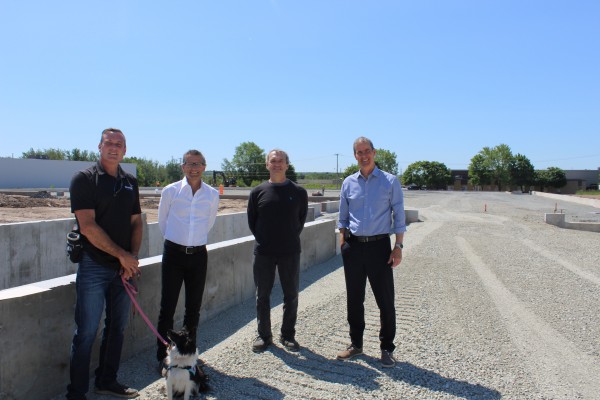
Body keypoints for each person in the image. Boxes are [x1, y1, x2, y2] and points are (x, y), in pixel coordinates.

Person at [66, 128, 142, 399]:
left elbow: (136, 222)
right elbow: (87, 226)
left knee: (117, 328)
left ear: (125, 149)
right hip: (94, 266)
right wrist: (122, 255)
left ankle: (106, 381)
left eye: (119, 144)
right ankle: (76, 393)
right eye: (108, 143)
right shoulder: (84, 179)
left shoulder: (130, 181)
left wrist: (131, 258)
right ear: (99, 146)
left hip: (123, 268)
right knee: (86, 332)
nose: (114, 147)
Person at [336, 136, 406, 368]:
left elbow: (399, 216)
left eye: (367, 151)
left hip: (379, 247)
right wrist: (343, 240)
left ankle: (387, 348)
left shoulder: (390, 181)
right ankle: (356, 344)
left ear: (374, 152)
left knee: (385, 300)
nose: (364, 155)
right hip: (353, 247)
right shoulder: (348, 183)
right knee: (354, 298)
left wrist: (398, 246)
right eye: (359, 152)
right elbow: (342, 217)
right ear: (355, 155)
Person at [155, 150, 219, 370]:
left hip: (198, 255)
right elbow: (162, 222)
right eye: (190, 163)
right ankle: (162, 358)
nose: (194, 167)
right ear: (182, 167)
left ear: (204, 166)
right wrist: (178, 241)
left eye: (198, 163)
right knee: (167, 308)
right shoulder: (171, 191)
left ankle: (189, 356)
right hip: (173, 254)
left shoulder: (211, 194)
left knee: (193, 309)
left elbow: (209, 223)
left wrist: (192, 242)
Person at [247, 149, 308, 353]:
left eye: (280, 161)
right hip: (264, 252)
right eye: (273, 161)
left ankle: (288, 335)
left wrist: (287, 237)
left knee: (291, 295)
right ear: (267, 165)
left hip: (290, 251)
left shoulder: (299, 192)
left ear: (287, 165)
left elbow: (300, 221)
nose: (277, 164)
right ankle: (264, 336)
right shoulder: (257, 192)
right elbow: (252, 222)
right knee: (262, 296)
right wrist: (266, 239)